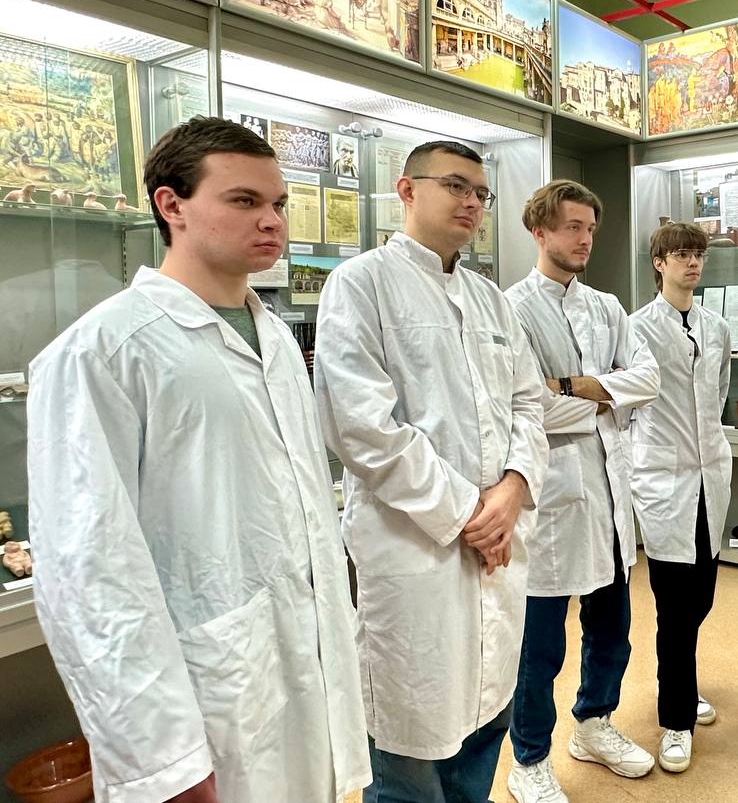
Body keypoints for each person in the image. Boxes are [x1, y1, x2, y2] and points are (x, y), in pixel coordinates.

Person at [27, 116, 370, 803]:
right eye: (244, 200)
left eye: (278, 203)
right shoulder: (105, 350)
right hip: (206, 690)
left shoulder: (275, 338)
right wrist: (161, 759)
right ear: (171, 205)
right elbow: (91, 573)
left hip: (298, 665)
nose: (272, 220)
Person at [313, 140, 547, 803]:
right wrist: (471, 512)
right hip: (418, 550)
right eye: (456, 185)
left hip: (496, 548)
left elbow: (529, 402)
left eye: (481, 193)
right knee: (409, 755)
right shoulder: (360, 285)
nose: (472, 202)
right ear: (407, 189)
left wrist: (514, 486)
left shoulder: (491, 300)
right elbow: (363, 427)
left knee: (484, 728)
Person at [504, 180, 660, 803]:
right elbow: (530, 408)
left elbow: (648, 380)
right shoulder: (511, 308)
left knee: (611, 631)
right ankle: (530, 758)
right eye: (572, 227)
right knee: (539, 647)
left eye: (590, 229)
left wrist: (570, 385)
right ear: (539, 231)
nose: (585, 239)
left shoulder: (608, 307)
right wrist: (606, 394)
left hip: (610, 495)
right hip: (550, 500)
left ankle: (594, 723)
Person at [629, 222, 731, 774]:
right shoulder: (636, 328)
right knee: (673, 605)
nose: (692, 263)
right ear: (659, 263)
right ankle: (676, 718)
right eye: (681, 254)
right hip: (664, 481)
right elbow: (628, 402)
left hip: (709, 476)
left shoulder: (716, 327)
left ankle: (683, 685)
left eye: (698, 255)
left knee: (701, 599)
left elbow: (717, 393)